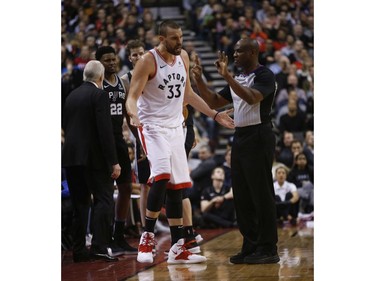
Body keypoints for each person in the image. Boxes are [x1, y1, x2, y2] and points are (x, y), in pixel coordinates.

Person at [125, 20, 234, 264]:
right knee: (162, 174)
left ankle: (177, 247)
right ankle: (147, 235)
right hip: (151, 126)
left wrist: (215, 114)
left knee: (177, 186)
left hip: (176, 127)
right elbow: (132, 98)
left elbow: (188, 95)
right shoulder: (148, 61)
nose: (179, 42)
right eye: (174, 38)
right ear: (161, 39)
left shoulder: (183, 56)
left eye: (181, 37)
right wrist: (132, 113)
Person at [192, 38, 280, 264]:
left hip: (260, 135)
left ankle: (268, 248)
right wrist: (199, 79)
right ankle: (250, 246)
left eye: (240, 51)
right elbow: (212, 101)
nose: (235, 55)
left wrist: (227, 77)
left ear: (252, 52)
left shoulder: (264, 76)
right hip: (240, 136)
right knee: (242, 195)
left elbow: (251, 98)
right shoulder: (238, 79)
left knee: (261, 193)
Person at [62, 60, 120, 262]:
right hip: (93, 159)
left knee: (80, 204)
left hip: (70, 157)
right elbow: (105, 132)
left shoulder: (71, 96)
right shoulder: (99, 95)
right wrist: (114, 161)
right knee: (104, 199)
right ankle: (99, 246)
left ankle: (78, 250)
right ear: (101, 77)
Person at [95, 46, 138, 255]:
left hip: (119, 139)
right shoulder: (97, 83)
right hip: (102, 142)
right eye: (106, 60)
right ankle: (103, 237)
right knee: (104, 191)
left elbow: (128, 114)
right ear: (99, 63)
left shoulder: (123, 82)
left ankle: (119, 235)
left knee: (126, 187)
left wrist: (137, 137)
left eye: (113, 59)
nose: (111, 62)